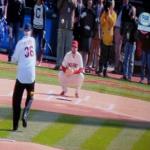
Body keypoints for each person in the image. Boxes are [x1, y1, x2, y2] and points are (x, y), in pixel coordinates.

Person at [11, 23, 36, 131]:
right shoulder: (33, 41)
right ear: (30, 31)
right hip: (31, 76)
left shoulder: (20, 43)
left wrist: (14, 58)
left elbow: (14, 59)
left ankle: (15, 126)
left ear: (23, 31)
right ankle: (25, 113)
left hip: (21, 77)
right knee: (31, 96)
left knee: (16, 101)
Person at [54, 0, 77, 70]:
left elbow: (75, 6)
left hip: (70, 25)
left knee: (68, 47)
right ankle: (58, 64)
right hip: (62, 25)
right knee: (60, 45)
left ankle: (66, 65)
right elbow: (58, 6)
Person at [97, 0, 117, 77]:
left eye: (111, 5)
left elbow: (113, 23)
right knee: (102, 55)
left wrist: (108, 15)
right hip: (104, 37)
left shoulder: (114, 14)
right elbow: (101, 22)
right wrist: (105, 14)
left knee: (108, 57)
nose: (110, 6)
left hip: (110, 39)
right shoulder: (104, 13)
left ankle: (105, 72)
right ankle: (100, 70)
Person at [122, 6, 138, 81]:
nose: (131, 12)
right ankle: (124, 75)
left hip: (133, 43)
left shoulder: (136, 20)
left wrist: (134, 17)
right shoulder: (128, 19)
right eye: (130, 11)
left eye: (132, 11)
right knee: (125, 59)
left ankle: (129, 76)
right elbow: (126, 29)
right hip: (128, 42)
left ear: (134, 12)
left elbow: (136, 28)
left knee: (131, 60)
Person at [32, 0, 46, 66]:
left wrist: (44, 29)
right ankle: (32, 59)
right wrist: (32, 26)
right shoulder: (34, 6)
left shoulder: (43, 7)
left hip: (41, 28)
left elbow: (44, 18)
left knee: (40, 45)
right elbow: (32, 16)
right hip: (34, 27)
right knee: (32, 43)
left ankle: (39, 60)